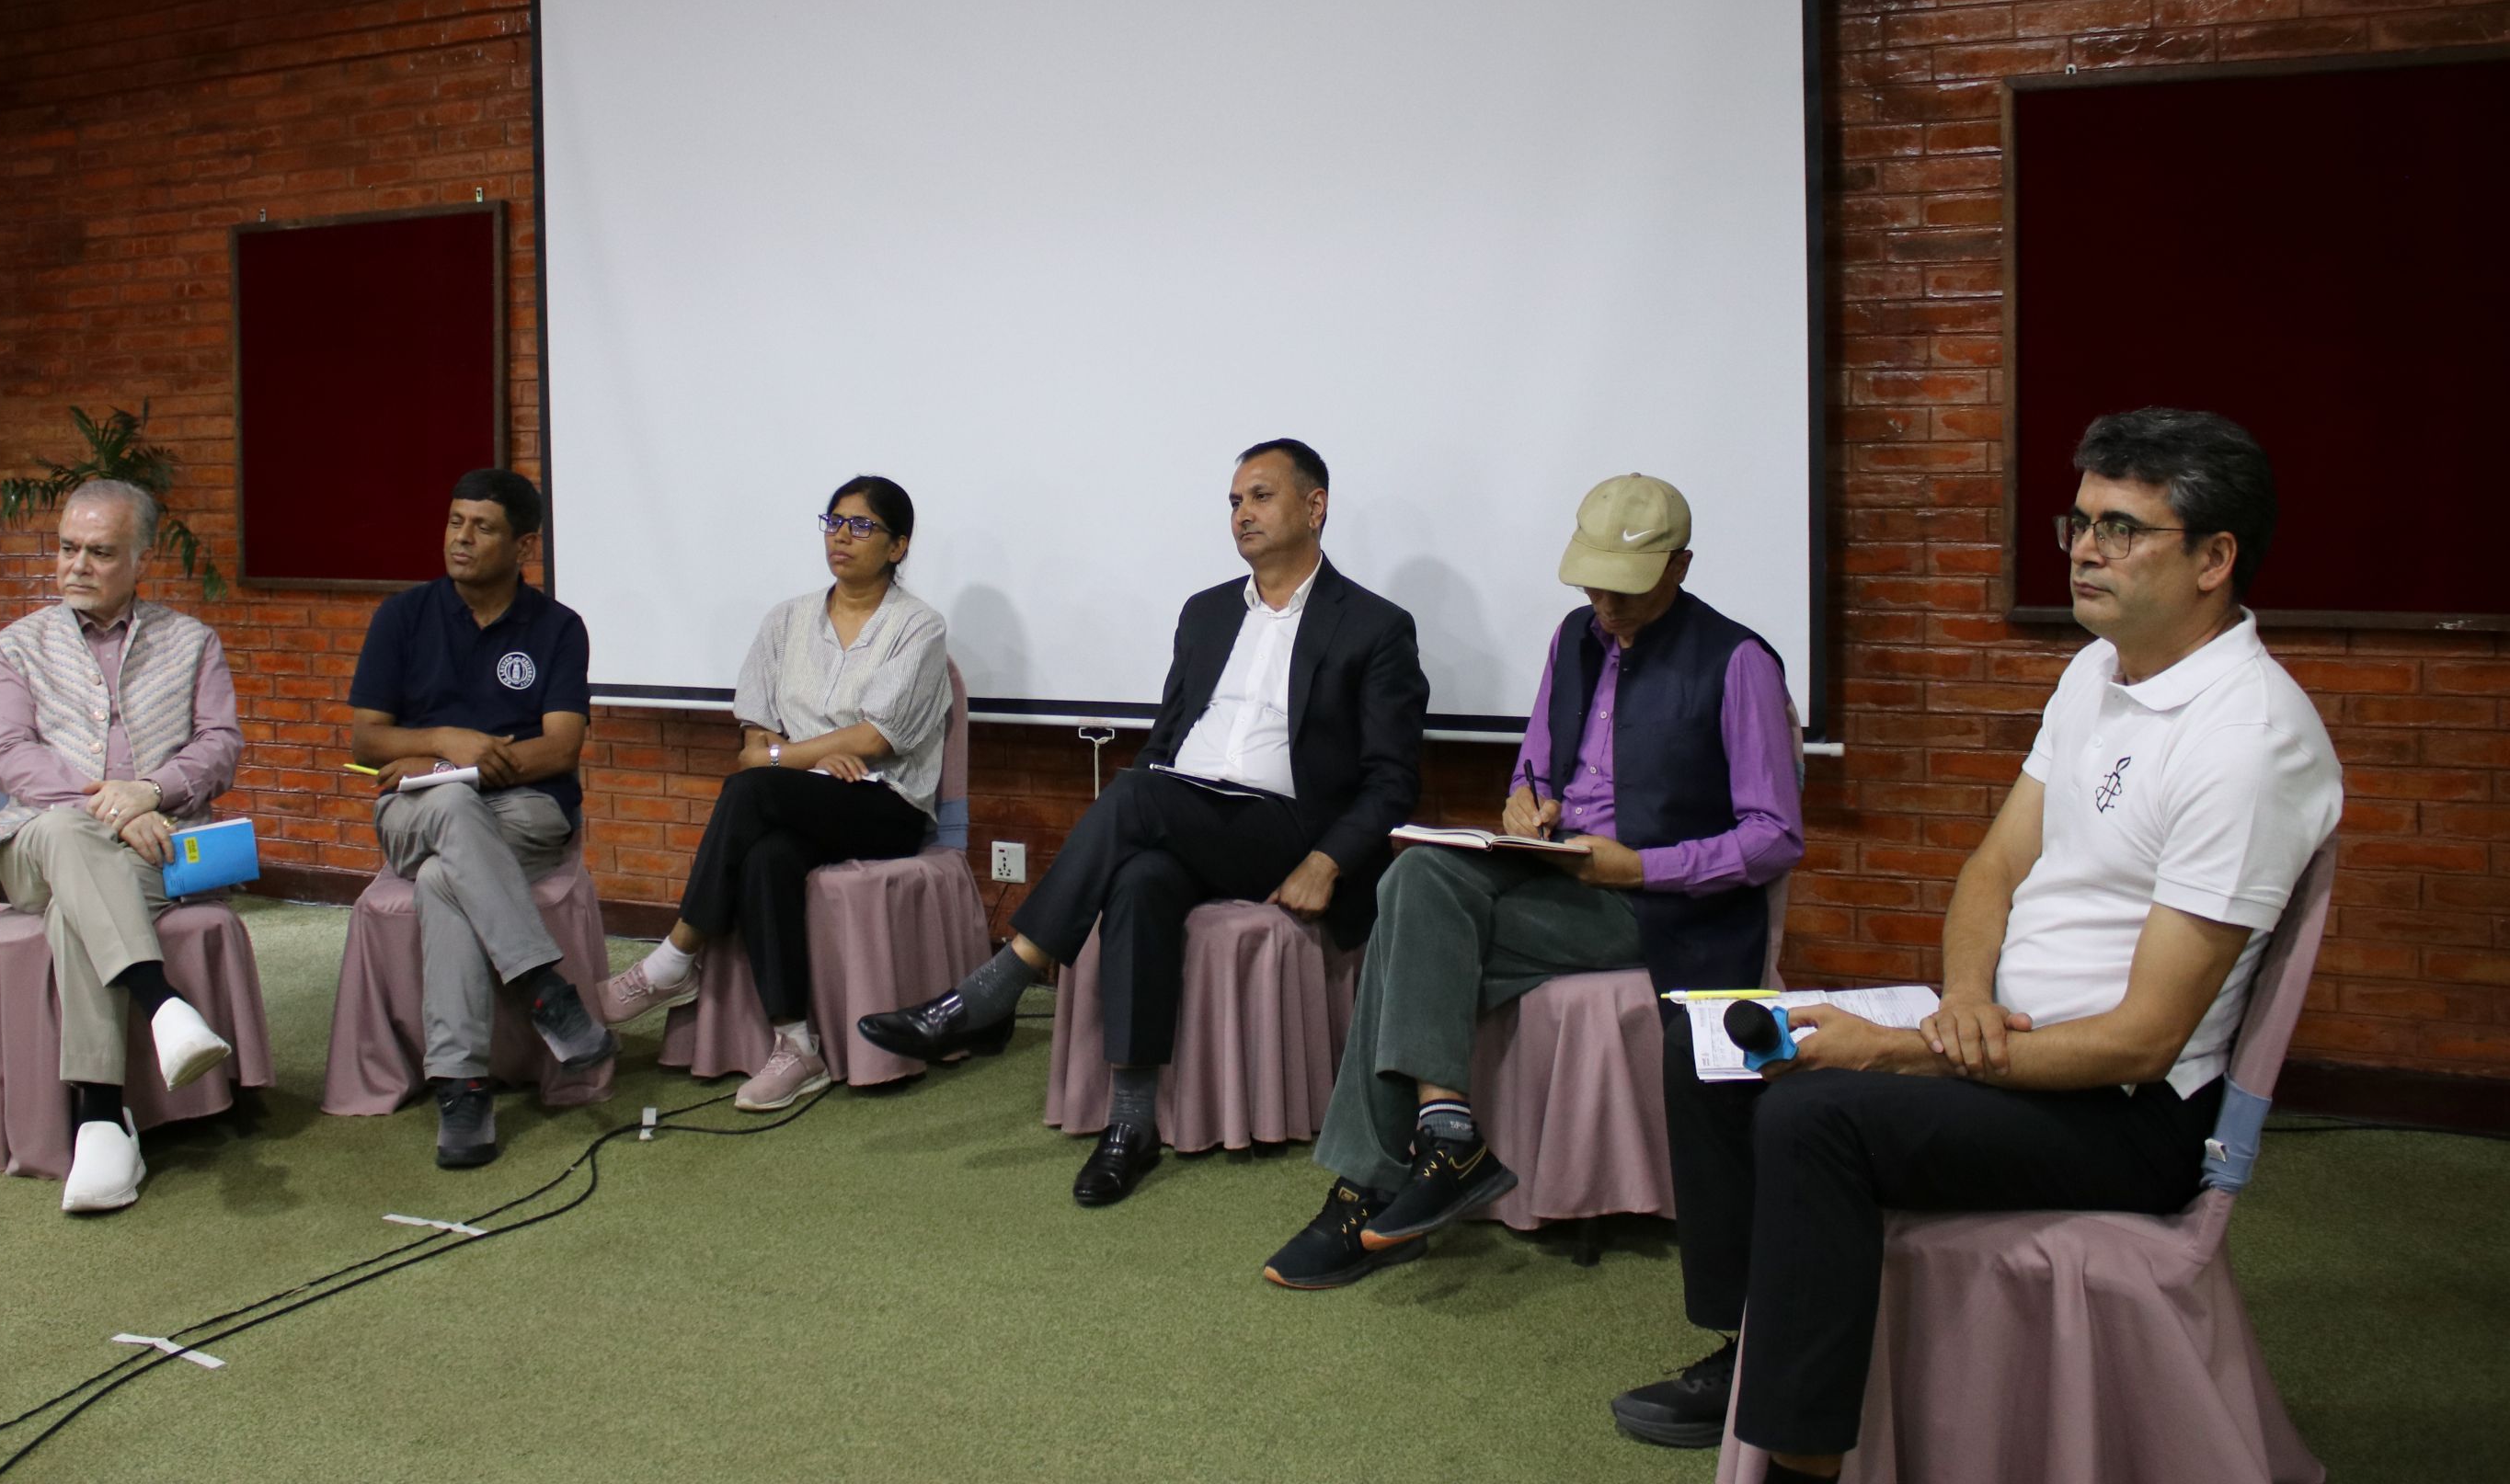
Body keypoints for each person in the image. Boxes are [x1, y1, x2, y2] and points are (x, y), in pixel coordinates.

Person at [1609, 408, 2342, 1479]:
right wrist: (1961, 1003)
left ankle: (1805, 1461)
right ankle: (1746, 1341)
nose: (2087, 548)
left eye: (2125, 528)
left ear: (2213, 558)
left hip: (2121, 1112)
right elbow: (1992, 871)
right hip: (2008, 1035)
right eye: (2081, 520)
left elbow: (2142, 1040)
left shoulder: (2247, 739)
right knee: (1719, 1036)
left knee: (1817, 1112)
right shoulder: (2098, 671)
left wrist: (1902, 1047)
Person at [1263, 472, 1802, 1286]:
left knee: (1408, 931)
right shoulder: (1573, 638)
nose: (1606, 607)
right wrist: (1526, 803)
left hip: (1657, 908)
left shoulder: (1739, 663)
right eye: (1594, 585)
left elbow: (1773, 839)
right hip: (1558, 873)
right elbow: (1537, 766)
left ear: (1680, 566)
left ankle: (1373, 1182)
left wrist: (1645, 866)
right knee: (1412, 881)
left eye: (1626, 589)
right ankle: (1447, 1135)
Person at [861, 439, 1428, 1205]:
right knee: (1139, 876)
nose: (1242, 515)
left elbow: (1392, 780)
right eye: (1234, 502)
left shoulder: (1375, 625)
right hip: (1189, 814)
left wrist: (1330, 860)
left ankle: (998, 987)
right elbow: (1168, 740)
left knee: (1132, 794)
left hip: (1287, 832)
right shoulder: (1204, 613)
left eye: (1260, 497)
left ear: (1315, 505)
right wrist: (1161, 794)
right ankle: (1132, 1124)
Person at [598, 476, 951, 1111]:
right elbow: (752, 738)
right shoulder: (786, 620)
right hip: (801, 797)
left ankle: (677, 955)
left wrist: (789, 755)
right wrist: (804, 756)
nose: (842, 536)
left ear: (898, 547)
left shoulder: (918, 627)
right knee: (767, 857)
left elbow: (874, 740)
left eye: (863, 526)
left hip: (883, 804)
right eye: (834, 521)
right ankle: (797, 1045)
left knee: (751, 791)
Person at [0, 479, 245, 1215]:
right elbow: (5, 754)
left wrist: (151, 791)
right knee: (65, 831)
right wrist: (112, 804)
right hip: (31, 843)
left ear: (140, 559)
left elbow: (220, 744)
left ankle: (101, 1119)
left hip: (147, 847)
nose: (76, 566)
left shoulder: (191, 642)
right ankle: (162, 1004)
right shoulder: (17, 646)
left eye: (100, 552)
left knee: (78, 903)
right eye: (67, 548)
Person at [349, 467, 614, 1170]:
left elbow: (561, 747)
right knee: (448, 805)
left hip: (525, 810)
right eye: (455, 521)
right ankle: (543, 988)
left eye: (483, 527)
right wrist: (445, 745)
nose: (462, 538)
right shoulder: (401, 618)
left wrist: (460, 768)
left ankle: (462, 1086)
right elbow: (366, 741)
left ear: (524, 544)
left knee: (444, 878)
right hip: (415, 810)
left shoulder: (557, 629)